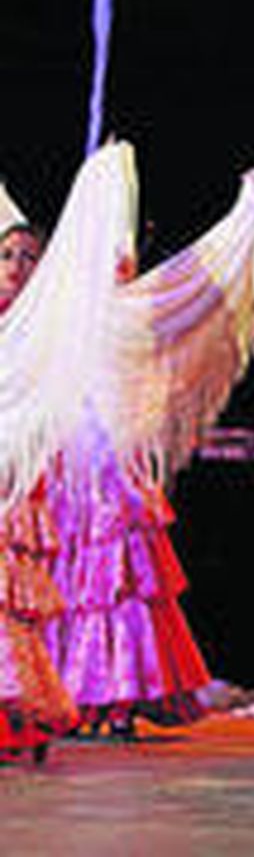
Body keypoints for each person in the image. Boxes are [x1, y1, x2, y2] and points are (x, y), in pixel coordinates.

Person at [44, 245, 212, 737]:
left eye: (124, 267)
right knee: (77, 583)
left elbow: (157, 392)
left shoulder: (138, 329)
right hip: (74, 464)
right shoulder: (66, 324)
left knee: (123, 586)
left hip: (119, 470)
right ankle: (75, 696)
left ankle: (120, 698)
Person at [0, 223, 79, 762]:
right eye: (6, 255)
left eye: (28, 257)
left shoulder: (46, 331)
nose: (14, 266)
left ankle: (17, 711)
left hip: (14, 471)